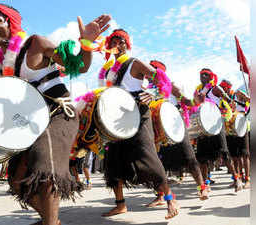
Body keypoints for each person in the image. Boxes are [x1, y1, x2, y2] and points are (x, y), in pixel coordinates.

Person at [0, 3, 111, 225]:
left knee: (45, 169)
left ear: (10, 23)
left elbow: (79, 66)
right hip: (29, 120)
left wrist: (87, 42)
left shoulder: (37, 43)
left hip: (59, 113)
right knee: (16, 181)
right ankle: (50, 220)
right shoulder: (0, 60)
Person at [99, 29, 180, 220]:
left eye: (119, 41)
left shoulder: (135, 63)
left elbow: (161, 81)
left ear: (125, 44)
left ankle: (170, 199)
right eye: (112, 42)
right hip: (116, 118)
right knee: (112, 161)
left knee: (148, 156)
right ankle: (120, 205)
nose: (114, 45)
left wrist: (155, 94)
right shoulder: (110, 69)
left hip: (138, 113)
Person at [145, 60, 208, 208]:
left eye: (151, 70)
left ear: (159, 71)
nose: (147, 73)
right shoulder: (144, 87)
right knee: (157, 163)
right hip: (155, 128)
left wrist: (196, 101)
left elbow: (186, 101)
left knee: (189, 157)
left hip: (174, 125)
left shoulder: (171, 85)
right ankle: (161, 195)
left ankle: (202, 188)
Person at [193, 68, 243, 192]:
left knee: (225, 154)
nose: (202, 76)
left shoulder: (215, 89)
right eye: (201, 74)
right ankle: (205, 185)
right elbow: (195, 105)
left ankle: (236, 179)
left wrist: (229, 105)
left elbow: (228, 100)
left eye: (206, 74)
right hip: (202, 126)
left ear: (211, 77)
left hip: (216, 124)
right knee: (202, 158)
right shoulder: (198, 91)